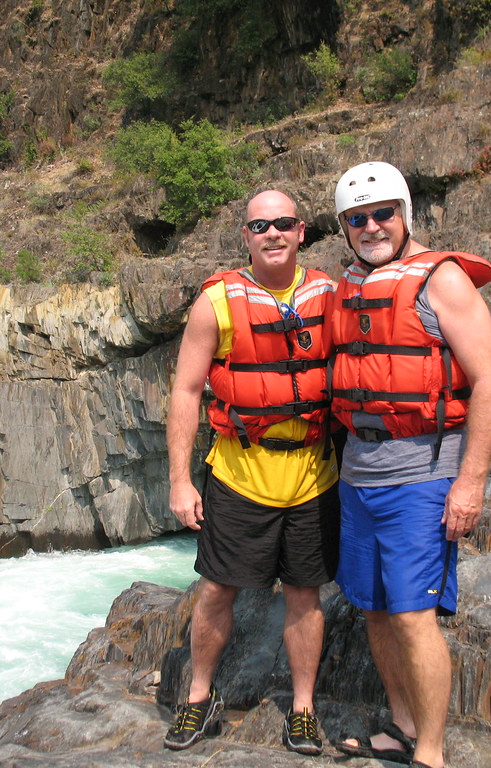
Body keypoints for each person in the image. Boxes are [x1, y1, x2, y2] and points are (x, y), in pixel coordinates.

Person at [330, 162, 491, 768]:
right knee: (376, 608)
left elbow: (489, 381)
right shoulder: (348, 285)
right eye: (358, 218)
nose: (372, 226)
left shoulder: (443, 280)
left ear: (406, 214)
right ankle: (403, 727)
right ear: (345, 228)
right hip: (359, 476)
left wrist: (471, 483)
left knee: (412, 617)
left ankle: (431, 753)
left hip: (424, 476)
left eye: (383, 214)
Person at [164, 189, 340, 755]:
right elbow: (186, 391)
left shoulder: (332, 297)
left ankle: (303, 708)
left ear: (302, 230)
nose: (272, 233)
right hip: (240, 476)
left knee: (304, 595)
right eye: (260, 225)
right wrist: (179, 479)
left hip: (315, 477)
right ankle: (197, 697)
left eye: (283, 223)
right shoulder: (215, 302)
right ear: (245, 235)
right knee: (217, 590)